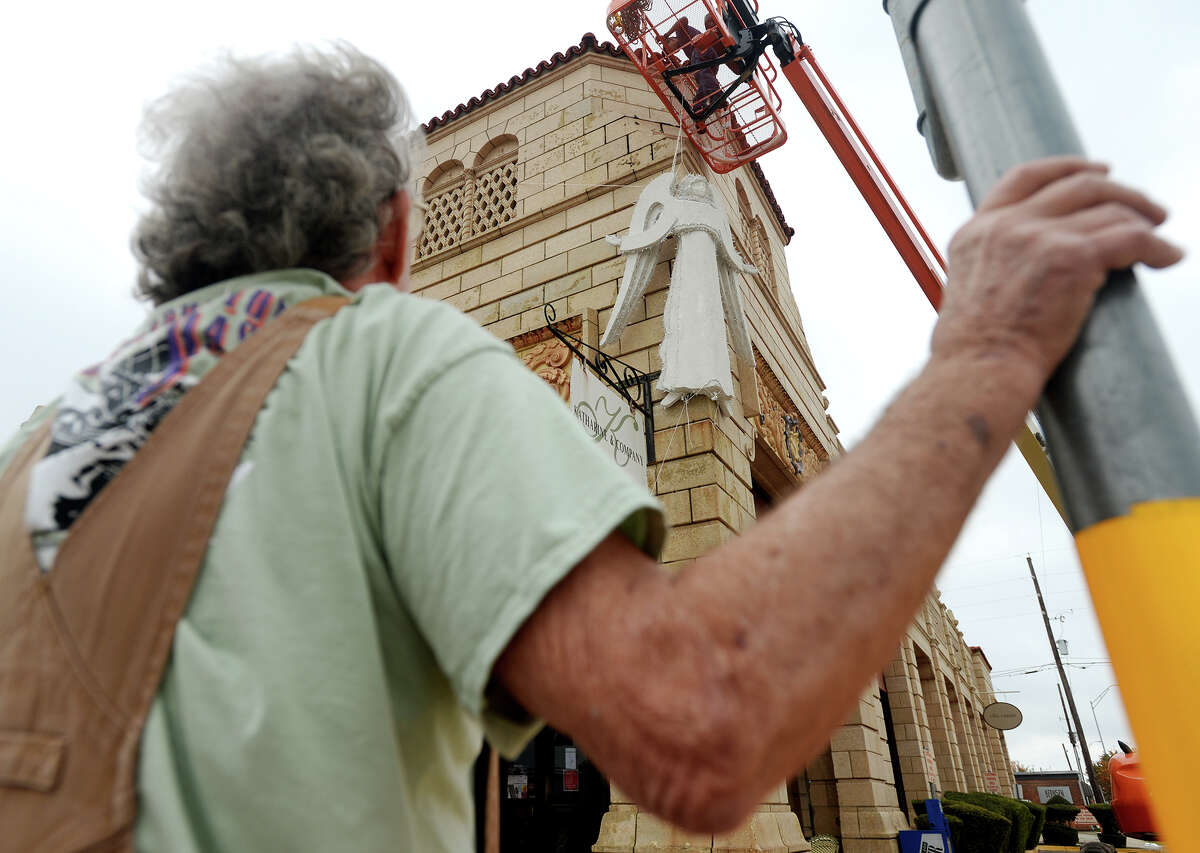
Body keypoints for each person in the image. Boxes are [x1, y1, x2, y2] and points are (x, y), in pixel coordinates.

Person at [0, 44, 1183, 852]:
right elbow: (699, 716)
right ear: (402, 231)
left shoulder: (32, 444)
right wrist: (981, 352)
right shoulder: (382, 354)